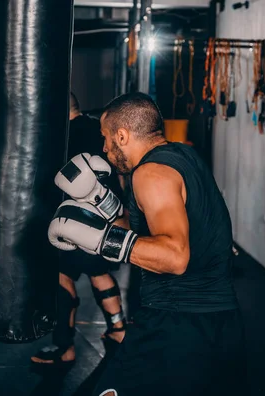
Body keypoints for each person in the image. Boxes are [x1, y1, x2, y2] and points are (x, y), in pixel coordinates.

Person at [49, 92, 246, 396]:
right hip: (220, 324)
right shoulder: (184, 157)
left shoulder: (149, 173)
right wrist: (104, 205)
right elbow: (153, 228)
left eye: (105, 138)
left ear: (122, 135)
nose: (103, 148)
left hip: (175, 326)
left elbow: (174, 256)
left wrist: (101, 240)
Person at [31, 93, 127, 368]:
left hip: (77, 218)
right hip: (109, 212)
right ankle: (118, 331)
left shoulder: (61, 137)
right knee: (99, 273)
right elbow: (119, 168)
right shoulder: (99, 128)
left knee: (62, 277)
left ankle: (64, 347)